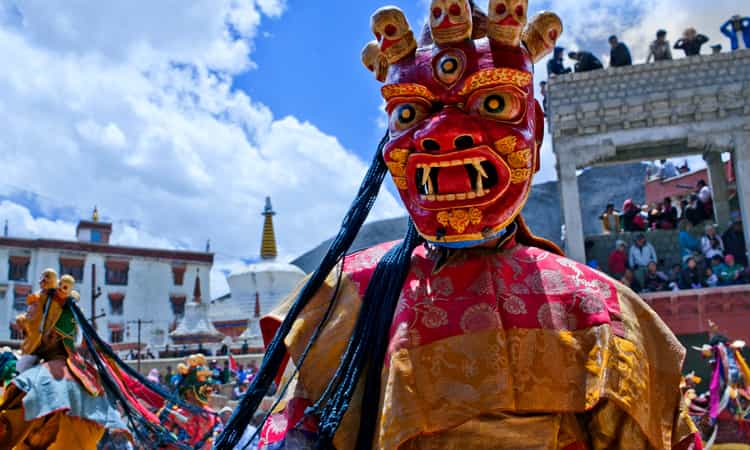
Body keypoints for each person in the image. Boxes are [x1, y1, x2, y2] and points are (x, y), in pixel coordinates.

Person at [216, 4, 702, 448]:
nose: (442, 135)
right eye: (410, 112)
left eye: (492, 104)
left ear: (536, 132)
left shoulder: (601, 312)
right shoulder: (344, 298)